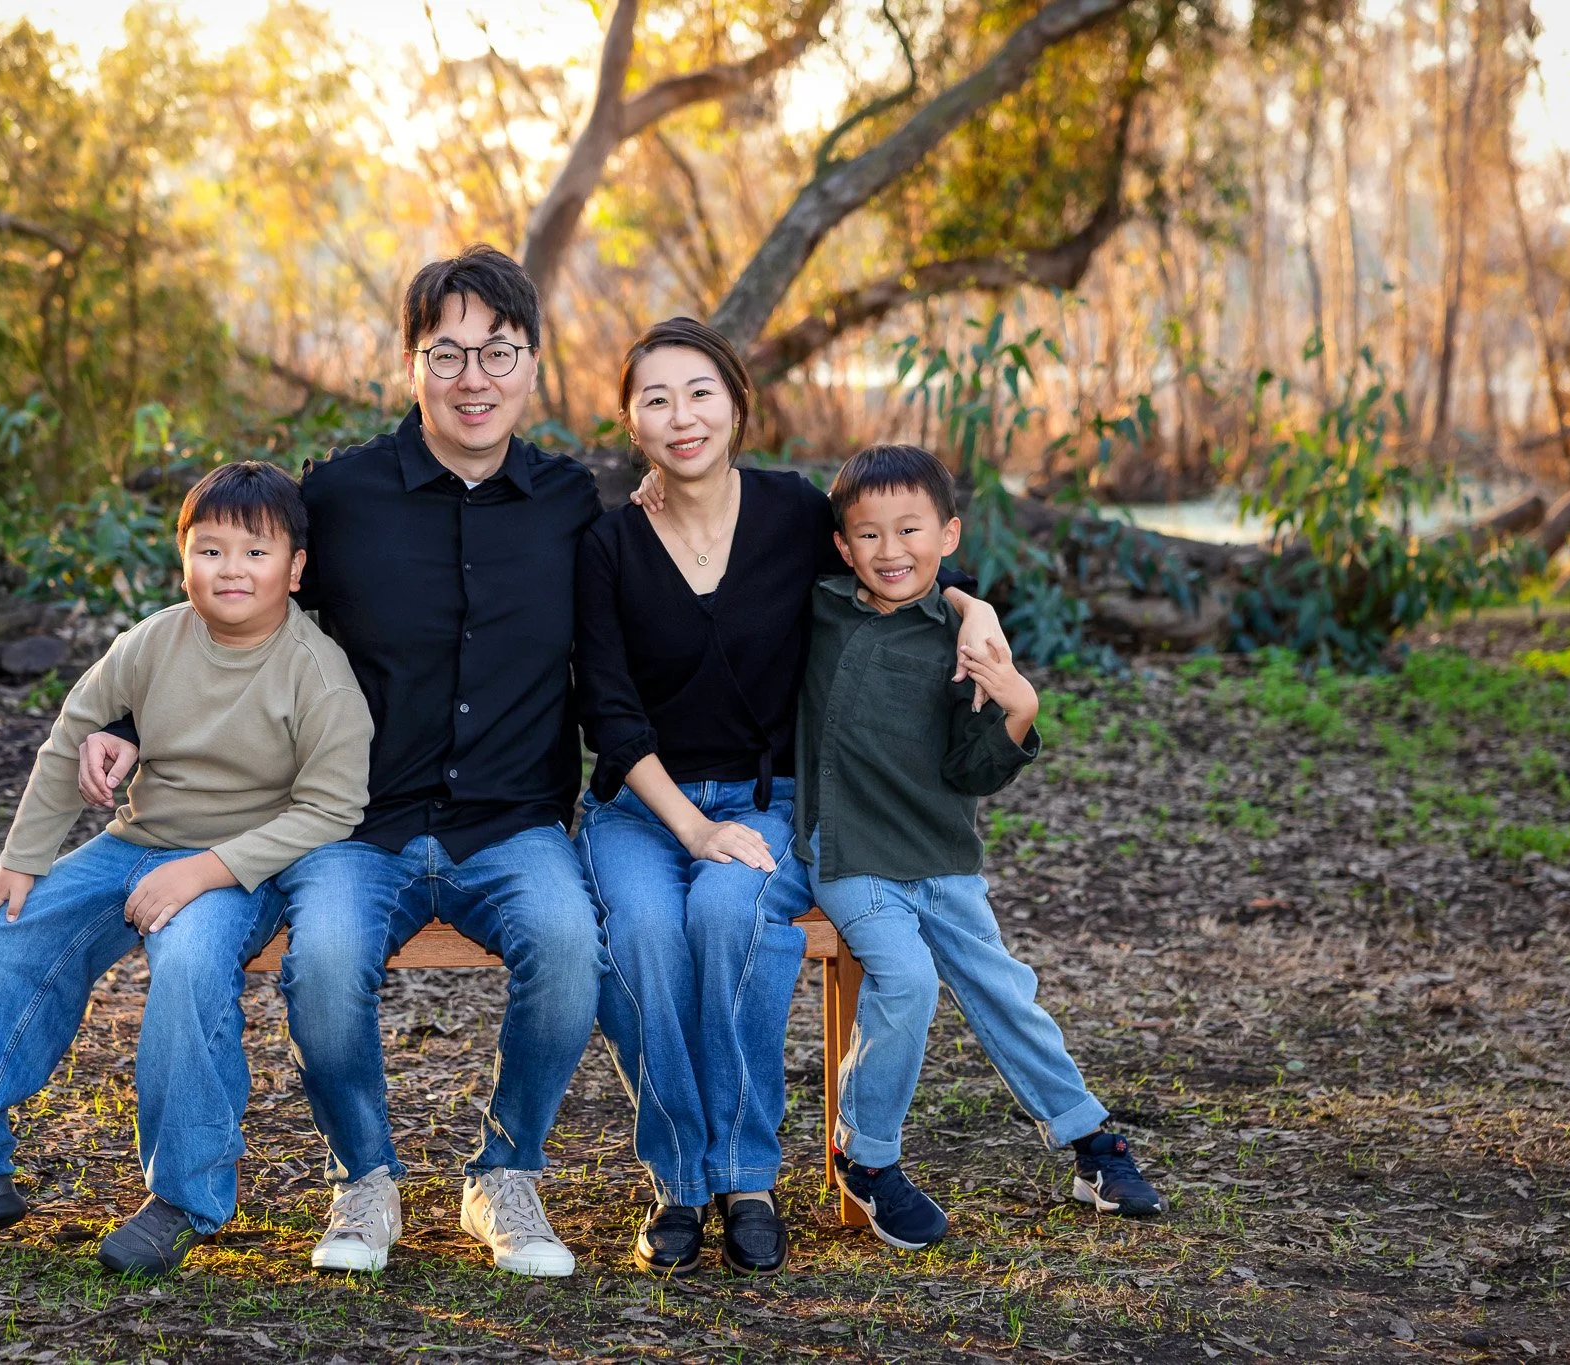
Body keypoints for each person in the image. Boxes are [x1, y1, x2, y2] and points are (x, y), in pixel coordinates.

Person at [77, 246, 608, 1278]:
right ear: (408, 363)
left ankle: (505, 1171)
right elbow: (237, 611)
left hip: (512, 821)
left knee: (569, 944)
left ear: (532, 366)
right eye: (445, 354)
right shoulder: (344, 497)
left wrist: (945, 597)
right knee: (321, 963)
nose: (472, 380)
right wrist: (133, 721)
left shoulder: (569, 506)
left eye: (496, 354)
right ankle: (364, 1176)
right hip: (352, 826)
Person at [0, 462, 373, 1279]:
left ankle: (184, 1198)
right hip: (136, 841)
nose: (230, 570)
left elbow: (332, 807)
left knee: (193, 960)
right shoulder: (155, 640)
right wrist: (18, 865)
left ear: (296, 568)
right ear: (183, 560)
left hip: (245, 864)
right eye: (209, 551)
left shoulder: (316, 672)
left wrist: (205, 871)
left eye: (254, 552)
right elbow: (74, 732)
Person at [571, 317, 1010, 1278]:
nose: (681, 416)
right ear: (631, 423)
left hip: (769, 798)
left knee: (733, 915)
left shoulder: (792, 512)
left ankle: (749, 1174)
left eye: (700, 393)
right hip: (643, 805)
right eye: (656, 398)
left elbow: (899, 564)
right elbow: (608, 707)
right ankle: (682, 1181)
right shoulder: (606, 542)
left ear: (735, 403)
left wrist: (975, 607)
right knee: (642, 932)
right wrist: (690, 826)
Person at [800, 443, 1164, 1254]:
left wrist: (1017, 706)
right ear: (841, 545)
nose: (891, 551)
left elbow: (972, 769)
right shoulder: (820, 608)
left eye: (910, 530)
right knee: (906, 976)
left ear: (949, 532)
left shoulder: (964, 643)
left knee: (1006, 987)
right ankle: (867, 1155)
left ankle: (1090, 1143)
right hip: (849, 849)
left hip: (939, 850)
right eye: (868, 535)